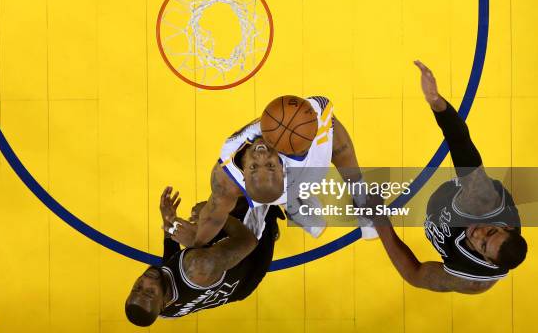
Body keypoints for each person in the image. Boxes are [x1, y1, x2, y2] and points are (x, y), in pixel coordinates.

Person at [372, 61, 527, 293]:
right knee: (472, 183)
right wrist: (435, 101)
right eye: (492, 230)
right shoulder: (482, 198)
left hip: (439, 220)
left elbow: (415, 275)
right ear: (505, 226)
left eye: (483, 244)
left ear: (487, 260)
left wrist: (380, 222)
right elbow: (461, 142)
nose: (478, 232)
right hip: (452, 197)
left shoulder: (471, 280)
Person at [170, 95, 373, 249]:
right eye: (269, 165)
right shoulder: (303, 133)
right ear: (280, 168)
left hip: (294, 181)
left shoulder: (227, 175)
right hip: (301, 178)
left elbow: (213, 215)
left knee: (250, 235)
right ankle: (293, 205)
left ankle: (297, 206)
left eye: (254, 166)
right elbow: (341, 148)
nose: (261, 155)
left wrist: (196, 241)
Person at [124, 186, 283, 326]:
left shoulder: (164, 313)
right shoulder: (197, 265)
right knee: (258, 178)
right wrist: (214, 214)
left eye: (137, 288)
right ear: (162, 303)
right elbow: (249, 241)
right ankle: (280, 212)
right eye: (150, 292)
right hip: (251, 255)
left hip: (235, 285)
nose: (146, 281)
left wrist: (168, 226)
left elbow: (169, 268)